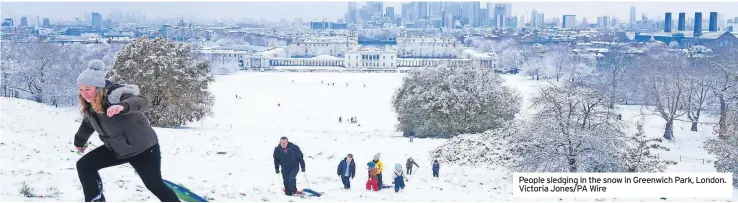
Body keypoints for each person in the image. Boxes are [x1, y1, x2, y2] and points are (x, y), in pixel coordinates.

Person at [73, 60, 179, 202]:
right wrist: (79, 141)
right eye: (81, 89)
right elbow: (88, 124)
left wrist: (123, 106)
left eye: (87, 89)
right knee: (85, 166)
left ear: (98, 88)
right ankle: (95, 200)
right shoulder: (91, 104)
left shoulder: (117, 95)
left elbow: (141, 101)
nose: (84, 93)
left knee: (155, 185)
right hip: (117, 149)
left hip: (143, 149)